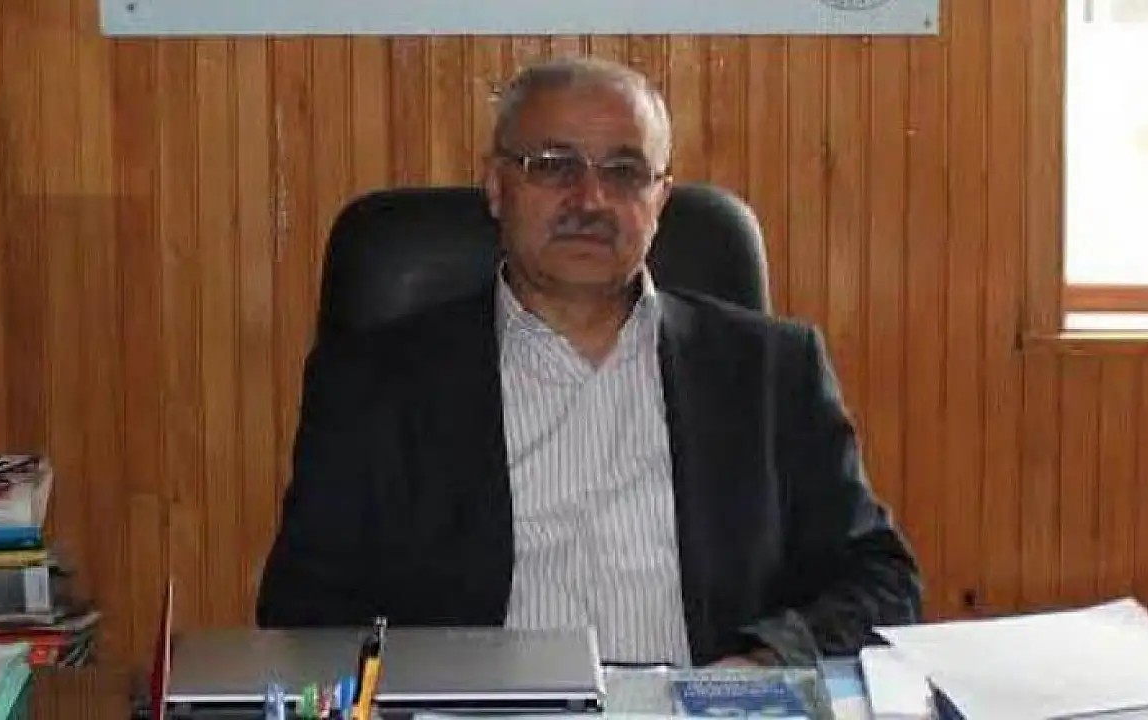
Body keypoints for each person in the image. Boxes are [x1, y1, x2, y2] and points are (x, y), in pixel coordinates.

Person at [256, 56, 921, 667]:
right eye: (553, 165)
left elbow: (881, 580)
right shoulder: (374, 382)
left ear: (660, 199)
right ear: (496, 186)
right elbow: (305, 610)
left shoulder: (772, 371)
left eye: (625, 172)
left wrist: (760, 666)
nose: (591, 201)